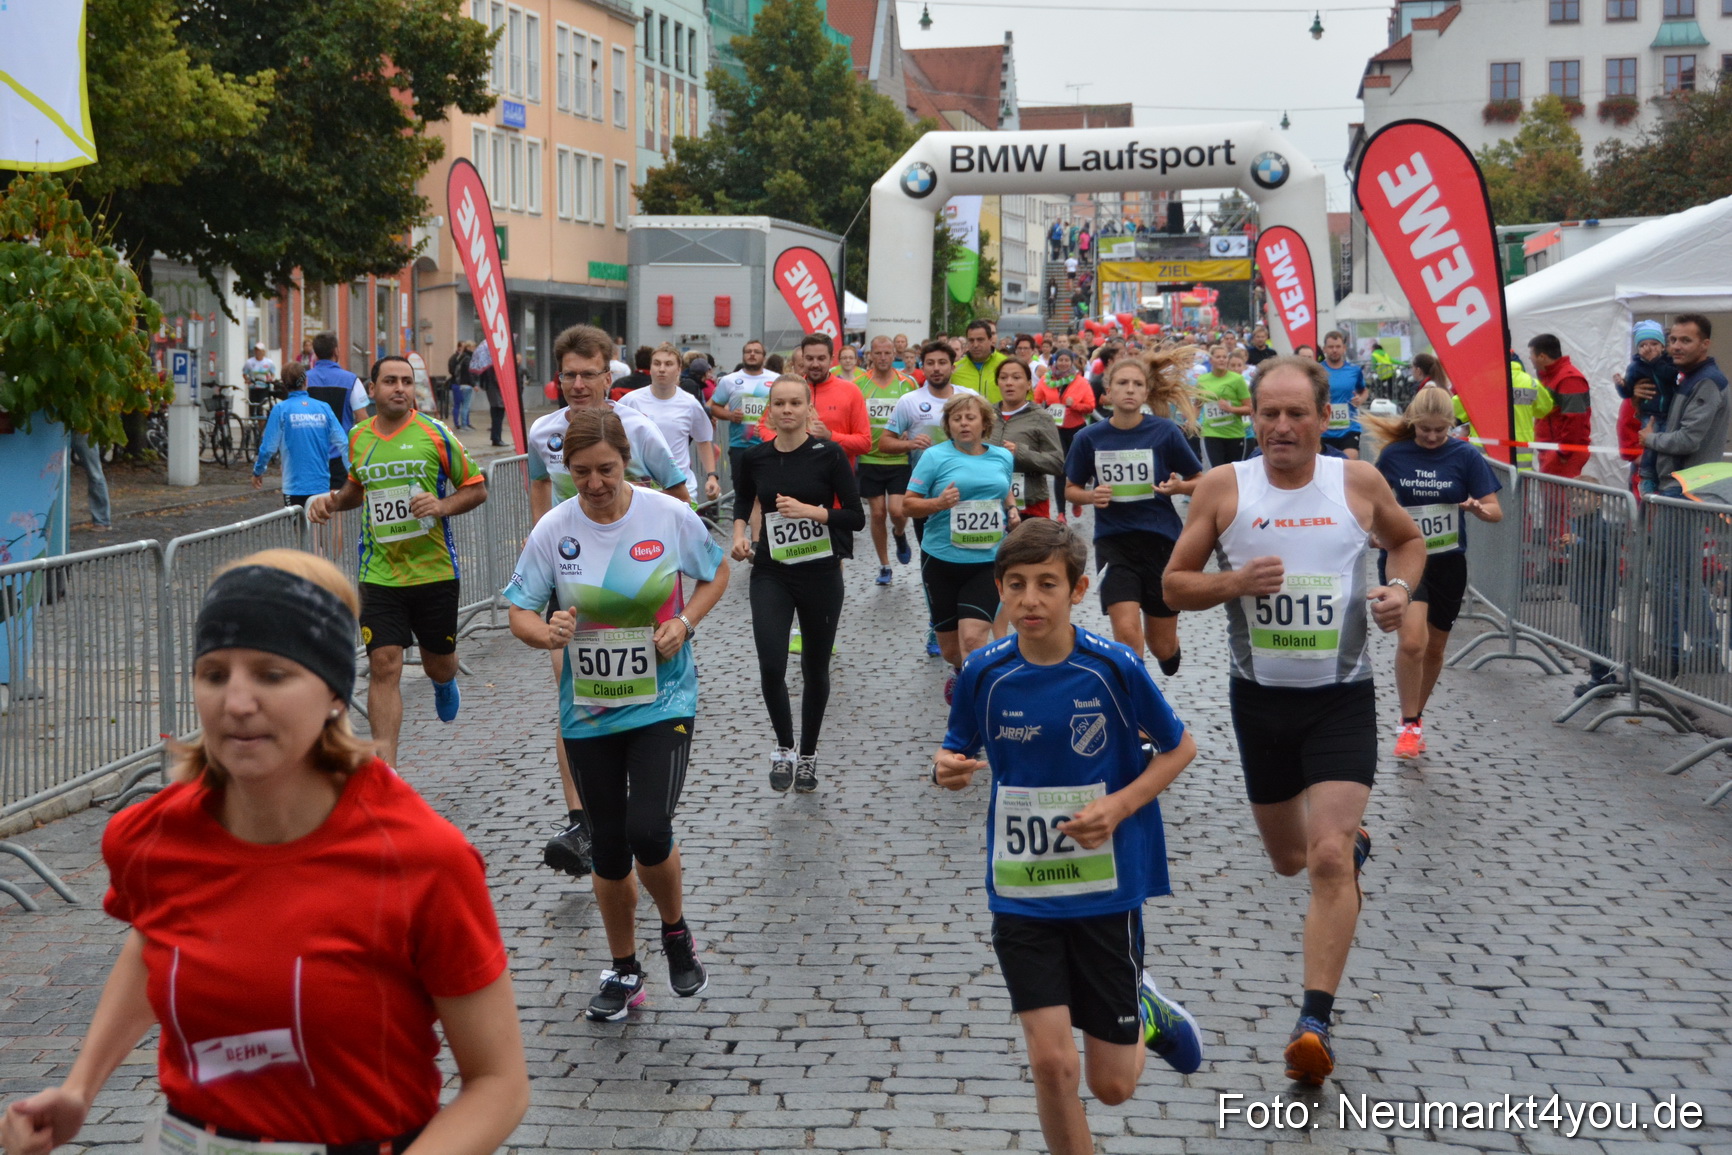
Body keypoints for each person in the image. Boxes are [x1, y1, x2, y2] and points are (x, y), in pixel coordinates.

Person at [0, 550, 529, 1155]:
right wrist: (80, 1088)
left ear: (333, 693)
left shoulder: (422, 858)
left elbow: (499, 1083)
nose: (237, 701)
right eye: (215, 673)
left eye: (272, 674)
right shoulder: (152, 835)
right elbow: (154, 939)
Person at [1163, 355, 1425, 1085]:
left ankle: (1314, 1021)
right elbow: (1175, 585)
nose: (1282, 426)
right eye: (1269, 414)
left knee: (1329, 856)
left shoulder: (1357, 482)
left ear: (1322, 417)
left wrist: (1398, 588)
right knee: (1290, 859)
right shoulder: (1224, 487)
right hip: (1261, 701)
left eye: (1296, 413)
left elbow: (1408, 542)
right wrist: (1234, 581)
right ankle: (1339, 844)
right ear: (1252, 418)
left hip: (1340, 698)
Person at [933, 519, 1203, 1155]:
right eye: (1017, 585)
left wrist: (1119, 805)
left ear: (1078, 590)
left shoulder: (1113, 667)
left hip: (1104, 890)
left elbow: (1178, 748)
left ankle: (1148, 1011)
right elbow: (953, 753)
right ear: (999, 589)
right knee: (1053, 1066)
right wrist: (945, 770)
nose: (1031, 600)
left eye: (1047, 585)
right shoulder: (984, 673)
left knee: (1111, 1087)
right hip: (1021, 889)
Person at [504, 408, 729, 1021]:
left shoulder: (666, 514)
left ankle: (676, 931)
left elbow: (716, 574)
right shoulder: (555, 528)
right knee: (607, 847)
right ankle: (624, 967)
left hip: (664, 699)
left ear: (625, 458)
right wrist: (545, 634)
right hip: (592, 710)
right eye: (581, 473)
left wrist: (683, 623)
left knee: (648, 830)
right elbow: (519, 610)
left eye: (606, 469)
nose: (595, 484)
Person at [528, 325, 691, 879]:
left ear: (609, 372)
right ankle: (584, 819)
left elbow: (678, 499)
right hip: (572, 579)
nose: (578, 384)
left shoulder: (640, 430)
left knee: (634, 696)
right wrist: (542, 560)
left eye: (588, 373)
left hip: (640, 583)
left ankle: (638, 790)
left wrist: (674, 600)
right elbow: (539, 494)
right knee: (575, 690)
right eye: (568, 374)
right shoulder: (542, 432)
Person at [306, 356, 487, 766]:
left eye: (406, 381)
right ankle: (384, 772)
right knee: (384, 663)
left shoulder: (435, 433)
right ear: (373, 389)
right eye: (390, 381)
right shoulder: (359, 436)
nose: (399, 388)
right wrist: (332, 503)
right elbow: (356, 487)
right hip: (379, 571)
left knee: (437, 664)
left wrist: (441, 505)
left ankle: (444, 681)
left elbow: (476, 488)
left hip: (433, 570)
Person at [731, 375, 864, 792]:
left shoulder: (830, 454)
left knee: (814, 668)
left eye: (795, 403)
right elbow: (742, 501)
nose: (787, 410)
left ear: (810, 409)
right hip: (772, 571)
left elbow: (856, 517)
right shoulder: (754, 458)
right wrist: (739, 534)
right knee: (772, 663)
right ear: (769, 410)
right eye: (780, 404)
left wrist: (813, 511)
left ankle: (808, 754)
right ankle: (784, 748)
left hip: (821, 573)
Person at [1364, 386, 1503, 759]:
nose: (1431, 437)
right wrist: (1375, 533)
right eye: (1424, 429)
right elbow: (1372, 503)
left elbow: (1495, 510)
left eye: (1440, 430)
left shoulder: (1465, 455)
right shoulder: (1395, 455)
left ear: (1452, 426)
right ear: (1412, 423)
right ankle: (1408, 724)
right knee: (1412, 642)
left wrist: (1476, 508)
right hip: (1405, 558)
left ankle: (1416, 716)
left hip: (1448, 562)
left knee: (1435, 648)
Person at [1063, 353, 1203, 675]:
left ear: (1146, 393)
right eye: (1122, 383)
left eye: (1137, 384)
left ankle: (1170, 652)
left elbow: (1200, 480)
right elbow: (1071, 488)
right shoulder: (1089, 437)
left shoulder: (1165, 432)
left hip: (1161, 541)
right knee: (1127, 636)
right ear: (1107, 392)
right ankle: (1137, 711)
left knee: (1162, 646)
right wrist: (1090, 495)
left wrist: (1178, 488)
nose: (1129, 389)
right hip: (1115, 542)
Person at [905, 393, 1018, 700]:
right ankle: (960, 671)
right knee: (952, 650)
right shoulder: (934, 458)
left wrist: (1011, 509)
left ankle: (979, 710)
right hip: (941, 559)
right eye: (957, 419)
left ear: (984, 423)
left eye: (971, 418)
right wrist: (938, 503)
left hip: (986, 560)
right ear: (948, 425)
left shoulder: (1002, 457)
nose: (964, 424)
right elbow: (907, 505)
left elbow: (1003, 488)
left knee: (973, 640)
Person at [619, 343, 721, 504]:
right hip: (641, 487)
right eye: (657, 363)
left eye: (668, 364)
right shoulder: (630, 401)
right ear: (650, 368)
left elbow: (703, 441)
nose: (662, 369)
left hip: (681, 488)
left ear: (679, 369)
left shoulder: (689, 403)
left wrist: (712, 477)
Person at [855, 336, 918, 583]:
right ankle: (884, 565)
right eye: (878, 353)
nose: (882, 358)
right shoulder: (860, 384)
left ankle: (900, 533)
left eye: (887, 353)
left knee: (897, 510)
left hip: (899, 458)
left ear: (895, 355)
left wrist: (909, 431)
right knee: (878, 513)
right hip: (870, 458)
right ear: (871, 355)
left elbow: (917, 415)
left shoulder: (907, 383)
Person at [755, 334, 871, 468]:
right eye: (810, 358)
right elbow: (764, 426)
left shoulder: (851, 391)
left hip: (835, 481)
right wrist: (785, 444)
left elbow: (864, 443)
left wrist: (830, 435)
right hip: (791, 475)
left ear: (831, 359)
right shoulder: (787, 388)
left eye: (821, 358)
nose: (815, 364)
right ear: (802, 358)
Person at [251, 362, 347, 508]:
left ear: (284, 384)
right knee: (318, 529)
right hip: (321, 485)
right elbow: (343, 443)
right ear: (306, 381)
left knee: (299, 529)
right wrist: (352, 473)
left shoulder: (281, 410)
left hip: (294, 487)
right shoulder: (323, 408)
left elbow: (268, 448)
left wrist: (258, 471)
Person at [992, 357, 1064, 524]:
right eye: (1003, 378)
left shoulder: (1041, 417)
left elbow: (1057, 463)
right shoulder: (986, 415)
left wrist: (1020, 452)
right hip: (992, 505)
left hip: (1031, 505)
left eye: (1016, 378)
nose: (1009, 383)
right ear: (998, 383)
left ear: (1028, 384)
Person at [708, 338, 777, 499]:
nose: (752, 354)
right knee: (743, 495)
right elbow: (714, 406)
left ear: (764, 357)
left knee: (768, 494)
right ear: (743, 356)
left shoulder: (776, 380)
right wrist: (730, 415)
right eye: (748, 352)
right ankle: (742, 524)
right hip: (740, 446)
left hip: (770, 444)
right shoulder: (729, 380)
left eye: (757, 352)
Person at [1615, 320, 1677, 494]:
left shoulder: (1681, 379)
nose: (1677, 349)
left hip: (1675, 467)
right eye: (1645, 345)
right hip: (1650, 469)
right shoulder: (1644, 385)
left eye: (1655, 344)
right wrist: (1638, 456)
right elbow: (1626, 425)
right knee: (1649, 514)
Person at [306, 331, 372, 489]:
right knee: (339, 505)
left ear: (315, 353)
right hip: (340, 455)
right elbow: (363, 420)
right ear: (336, 351)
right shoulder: (351, 380)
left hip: (309, 454)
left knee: (312, 507)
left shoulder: (303, 378)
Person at [1528, 333, 1591, 478]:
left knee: (1558, 498)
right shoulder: (1552, 376)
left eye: (1531, 354)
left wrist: (1564, 452)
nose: (1530, 358)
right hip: (1554, 450)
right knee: (1552, 497)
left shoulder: (1569, 379)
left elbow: (1575, 419)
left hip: (1562, 453)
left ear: (1542, 356)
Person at [1195, 344, 1253, 468]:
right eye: (1218, 357)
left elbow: (1249, 408)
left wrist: (1230, 409)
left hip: (1235, 434)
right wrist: (1191, 422)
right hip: (1211, 433)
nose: (1222, 359)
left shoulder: (1237, 379)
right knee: (1216, 472)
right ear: (1211, 360)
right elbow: (1197, 405)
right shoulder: (1202, 380)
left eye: (1224, 357)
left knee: (1234, 474)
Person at [1036, 348, 1095, 461]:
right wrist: (1040, 409)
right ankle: (1060, 478)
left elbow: (1090, 406)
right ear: (1055, 362)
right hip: (1054, 428)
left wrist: (1074, 405)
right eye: (1060, 360)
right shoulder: (1045, 379)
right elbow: (1036, 400)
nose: (1063, 363)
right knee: (1059, 461)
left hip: (1075, 428)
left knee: (1076, 460)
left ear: (1072, 363)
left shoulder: (1081, 382)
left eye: (1067, 360)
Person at [1319, 330, 1369, 459]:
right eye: (1330, 347)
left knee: (1348, 463)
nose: (1334, 350)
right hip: (1324, 429)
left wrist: (1360, 399)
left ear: (1344, 348)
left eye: (1338, 347)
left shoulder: (1354, 370)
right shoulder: (1317, 371)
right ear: (1324, 349)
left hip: (1349, 428)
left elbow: (1364, 390)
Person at [953, 320, 1009, 404]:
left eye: (980, 340)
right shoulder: (955, 370)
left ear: (990, 340)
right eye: (971, 340)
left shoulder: (1006, 364)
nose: (975, 345)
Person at [67, 432, 111, 529]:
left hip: (80, 429)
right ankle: (102, 520)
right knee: (95, 473)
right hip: (80, 428)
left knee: (95, 474)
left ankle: (102, 521)